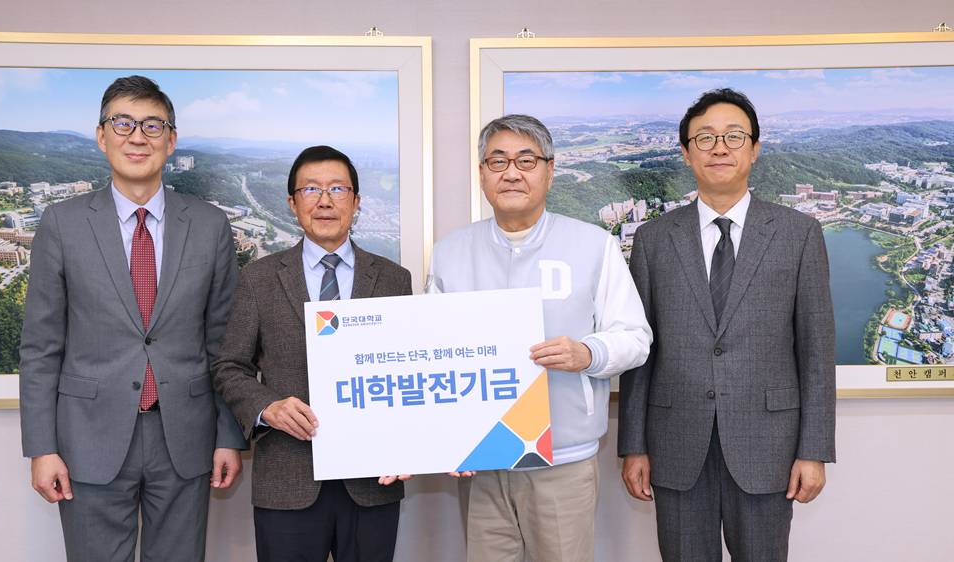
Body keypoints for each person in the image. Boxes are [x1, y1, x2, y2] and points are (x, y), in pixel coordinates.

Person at [19, 75, 246, 562]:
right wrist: (42, 448)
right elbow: (40, 347)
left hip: (186, 438)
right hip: (87, 439)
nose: (137, 137)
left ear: (171, 140)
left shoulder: (209, 225)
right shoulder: (62, 224)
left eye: (152, 125)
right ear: (102, 136)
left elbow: (224, 345)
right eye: (123, 123)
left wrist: (229, 436)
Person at [618, 88, 836, 561]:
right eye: (705, 137)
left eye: (734, 136)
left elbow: (816, 352)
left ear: (754, 149)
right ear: (686, 152)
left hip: (769, 446)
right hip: (675, 444)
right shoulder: (653, 239)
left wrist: (814, 450)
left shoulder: (799, 234)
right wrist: (633, 446)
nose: (720, 148)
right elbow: (640, 350)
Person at [428, 114, 652, 561]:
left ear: (550, 171)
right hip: (483, 460)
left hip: (563, 460)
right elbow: (433, 353)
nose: (511, 173)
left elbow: (635, 337)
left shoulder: (593, 245)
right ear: (482, 174)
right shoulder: (450, 251)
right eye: (498, 161)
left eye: (526, 160)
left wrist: (587, 352)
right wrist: (447, 438)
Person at [212, 145, 411, 562]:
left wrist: (410, 443)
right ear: (292, 203)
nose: (324, 200)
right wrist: (267, 407)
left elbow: (410, 371)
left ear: (356, 201)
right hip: (288, 478)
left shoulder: (394, 279)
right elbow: (230, 366)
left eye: (337, 189)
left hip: (372, 480)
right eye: (311, 189)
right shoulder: (259, 278)